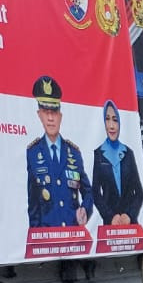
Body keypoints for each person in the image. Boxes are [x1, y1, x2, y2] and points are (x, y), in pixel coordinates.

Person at [26, 76, 92, 228]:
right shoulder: (33, 153)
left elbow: (88, 192)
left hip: (74, 238)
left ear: (60, 116)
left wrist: (85, 210)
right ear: (39, 115)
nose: (50, 118)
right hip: (48, 240)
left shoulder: (74, 153)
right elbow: (33, 205)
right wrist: (36, 239)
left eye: (54, 112)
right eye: (46, 112)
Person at [92, 100, 143, 226]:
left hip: (130, 224)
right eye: (107, 119)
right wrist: (110, 216)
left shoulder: (128, 153)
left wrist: (129, 215)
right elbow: (95, 193)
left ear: (120, 122)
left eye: (115, 120)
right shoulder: (98, 154)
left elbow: (139, 193)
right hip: (110, 226)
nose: (111, 126)